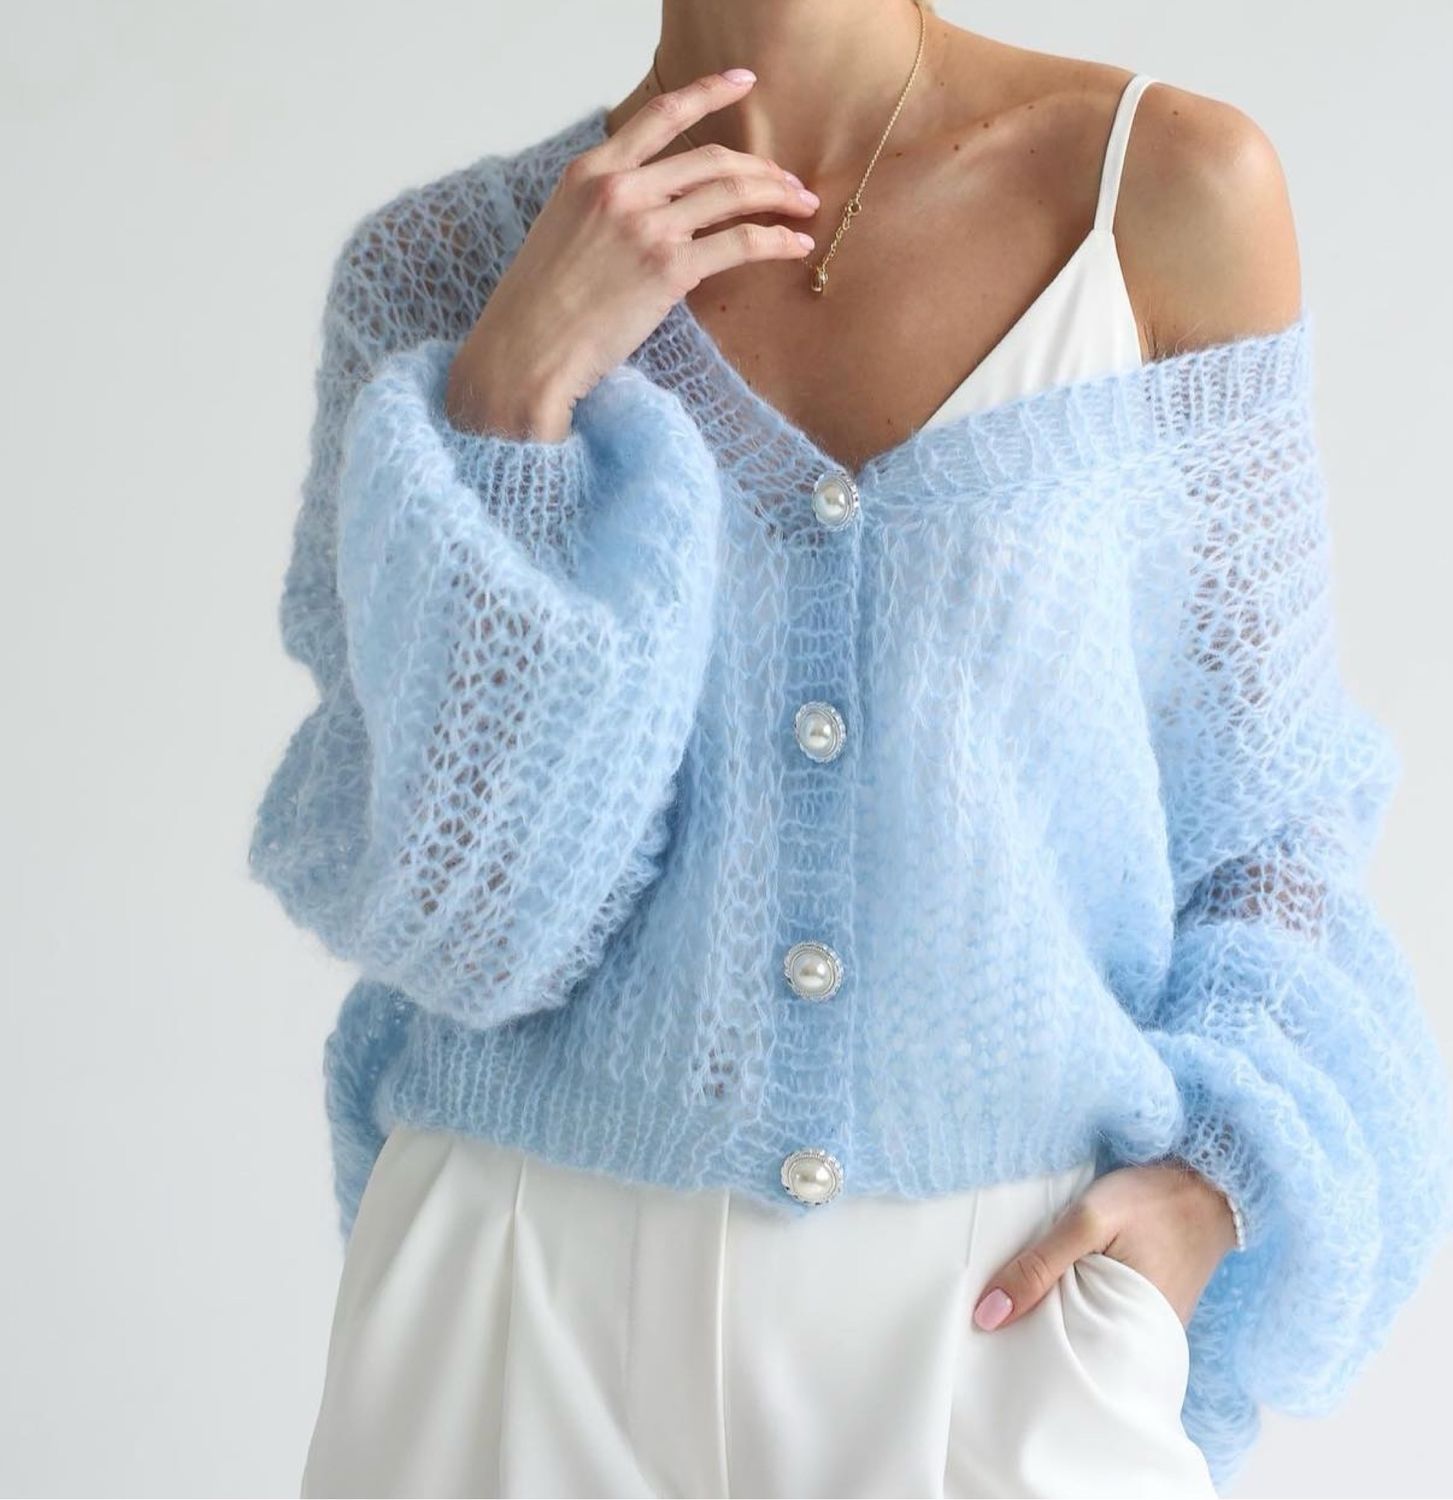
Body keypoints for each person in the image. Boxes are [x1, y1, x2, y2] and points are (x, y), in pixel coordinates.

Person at [247, 2, 1453, 1495]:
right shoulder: (443, 270)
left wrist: (1207, 1197)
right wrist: (510, 406)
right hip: (515, 1308)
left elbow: (1266, 822)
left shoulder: (1159, 196)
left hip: (1000, 1313)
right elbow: (471, 926)